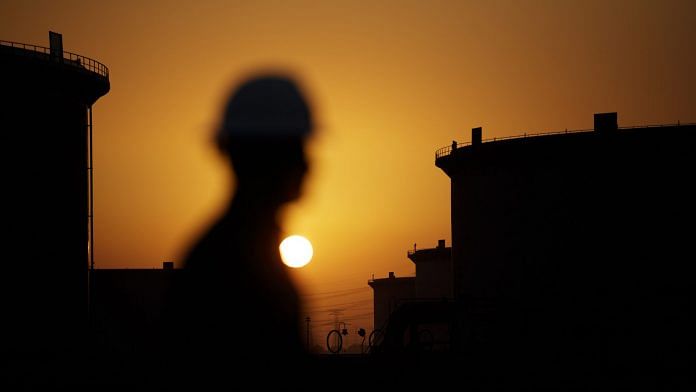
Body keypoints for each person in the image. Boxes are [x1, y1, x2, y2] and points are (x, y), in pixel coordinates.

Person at [161, 75, 312, 389]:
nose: (307, 164)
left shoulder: (239, 251)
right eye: (296, 147)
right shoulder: (230, 266)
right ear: (262, 158)